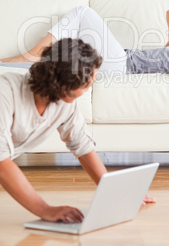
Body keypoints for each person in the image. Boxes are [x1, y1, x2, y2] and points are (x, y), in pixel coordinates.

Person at [0, 38, 155, 224]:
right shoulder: (5, 93)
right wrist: (45, 210)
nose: (92, 86)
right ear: (65, 84)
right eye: (88, 84)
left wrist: (115, 192)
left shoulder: (62, 103)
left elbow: (82, 146)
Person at [0, 1, 169, 80]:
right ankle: (8, 67)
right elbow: (168, 59)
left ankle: (31, 55)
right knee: (59, 62)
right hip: (125, 58)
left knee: (83, 14)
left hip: (124, 66)